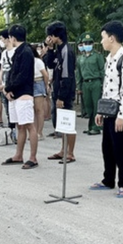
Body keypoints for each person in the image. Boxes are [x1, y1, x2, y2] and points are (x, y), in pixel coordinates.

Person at [89, 20, 123, 197]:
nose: (101, 41)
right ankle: (108, 180)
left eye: (103, 38)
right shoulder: (109, 59)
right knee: (107, 147)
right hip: (108, 110)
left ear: (111, 38)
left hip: (121, 112)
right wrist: (100, 111)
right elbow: (106, 87)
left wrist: (122, 115)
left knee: (122, 147)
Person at [1, 25, 39, 169]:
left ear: (13, 38)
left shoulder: (26, 52)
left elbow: (23, 75)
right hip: (14, 94)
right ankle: (18, 155)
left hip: (24, 93)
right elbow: (11, 72)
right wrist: (7, 90)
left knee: (29, 125)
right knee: (19, 125)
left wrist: (8, 87)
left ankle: (33, 157)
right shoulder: (18, 52)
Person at [46, 21, 77, 163]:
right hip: (57, 90)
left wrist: (61, 97)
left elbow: (67, 76)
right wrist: (50, 49)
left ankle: (70, 153)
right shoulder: (59, 49)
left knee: (68, 122)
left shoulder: (67, 51)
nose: (49, 38)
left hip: (64, 93)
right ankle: (63, 150)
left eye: (50, 36)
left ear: (56, 35)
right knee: (62, 123)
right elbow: (51, 64)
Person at [76, 33, 105, 135]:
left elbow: (102, 70)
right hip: (85, 83)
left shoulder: (97, 56)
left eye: (89, 43)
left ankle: (96, 127)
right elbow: (78, 73)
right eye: (85, 43)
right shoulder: (80, 58)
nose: (87, 44)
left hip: (95, 82)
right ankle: (90, 126)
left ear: (92, 44)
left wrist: (103, 84)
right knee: (88, 106)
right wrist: (79, 87)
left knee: (96, 105)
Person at [33, 45, 50, 139]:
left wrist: (46, 85)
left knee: (39, 109)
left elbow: (45, 75)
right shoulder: (26, 61)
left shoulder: (38, 61)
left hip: (38, 82)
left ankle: (40, 132)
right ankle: (34, 131)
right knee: (33, 110)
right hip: (29, 83)